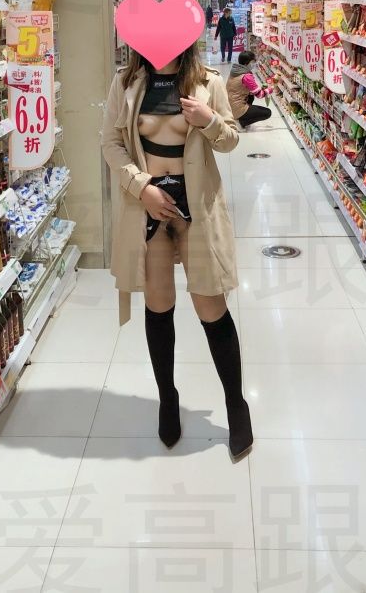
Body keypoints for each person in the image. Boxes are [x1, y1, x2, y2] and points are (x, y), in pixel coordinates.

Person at [101, 43, 253, 460]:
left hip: (195, 207)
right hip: (149, 207)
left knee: (211, 306)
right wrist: (141, 187)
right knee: (158, 305)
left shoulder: (207, 82)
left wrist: (209, 121)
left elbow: (230, 141)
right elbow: (111, 143)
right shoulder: (126, 82)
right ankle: (167, 398)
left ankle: (236, 404)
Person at [226, 51, 272, 129]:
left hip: (229, 105)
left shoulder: (236, 71)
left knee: (251, 96)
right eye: (253, 61)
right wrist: (270, 90)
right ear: (247, 63)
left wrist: (259, 89)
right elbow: (260, 95)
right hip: (237, 108)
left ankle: (240, 117)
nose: (254, 63)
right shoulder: (247, 76)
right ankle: (241, 122)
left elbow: (250, 90)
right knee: (267, 112)